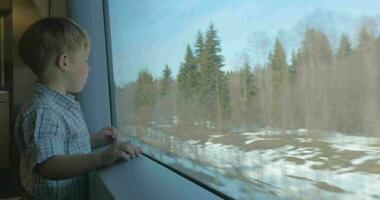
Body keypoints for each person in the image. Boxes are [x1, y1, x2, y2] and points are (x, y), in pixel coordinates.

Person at [14, 17, 141, 200]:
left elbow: (60, 147)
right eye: (85, 60)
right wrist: (102, 158)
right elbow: (48, 164)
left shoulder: (58, 106)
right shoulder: (45, 110)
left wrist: (93, 141)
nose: (89, 69)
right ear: (65, 62)